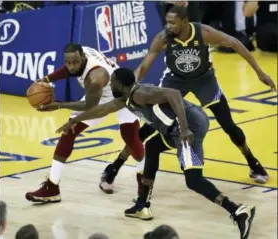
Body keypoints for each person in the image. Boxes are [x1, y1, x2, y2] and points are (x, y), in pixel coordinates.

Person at [54, 68, 256, 239]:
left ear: (119, 84)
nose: (110, 87)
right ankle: (142, 205)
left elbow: (174, 94)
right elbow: (102, 109)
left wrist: (185, 129)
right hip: (175, 129)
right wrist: (74, 120)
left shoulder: (140, 93)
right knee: (152, 147)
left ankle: (238, 211)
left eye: (112, 83)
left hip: (187, 128)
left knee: (193, 180)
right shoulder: (125, 99)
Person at [101, 5, 276, 187]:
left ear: (185, 23)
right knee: (149, 127)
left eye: (172, 23)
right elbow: (144, 66)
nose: (168, 26)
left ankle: (253, 163)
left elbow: (235, 43)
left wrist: (260, 72)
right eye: (167, 22)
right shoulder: (163, 38)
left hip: (205, 80)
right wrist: (131, 88)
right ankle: (114, 167)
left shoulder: (203, 32)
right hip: (175, 80)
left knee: (229, 126)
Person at [25, 43, 145, 202]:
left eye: (75, 62)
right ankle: (52, 187)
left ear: (83, 58)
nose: (72, 66)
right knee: (69, 132)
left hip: (122, 93)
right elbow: (68, 69)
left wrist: (59, 105)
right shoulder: (80, 53)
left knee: (131, 137)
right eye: (68, 62)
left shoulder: (96, 77)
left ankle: (144, 186)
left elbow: (89, 106)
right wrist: (46, 79)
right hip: (98, 95)